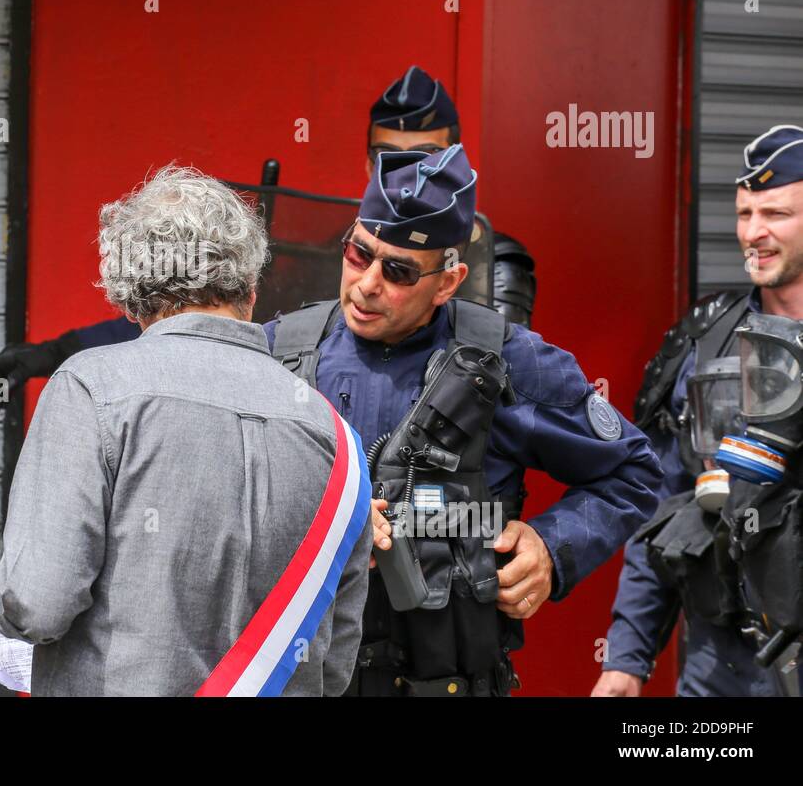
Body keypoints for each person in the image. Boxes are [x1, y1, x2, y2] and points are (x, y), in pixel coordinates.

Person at [0, 165, 390, 696]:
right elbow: (335, 662)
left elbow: (39, 603)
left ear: (127, 296)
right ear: (251, 286)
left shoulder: (91, 389)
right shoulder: (335, 437)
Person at [265, 145, 662, 696]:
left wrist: (551, 546)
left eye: (399, 270)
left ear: (446, 284)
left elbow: (635, 472)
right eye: (359, 253)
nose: (368, 283)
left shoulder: (507, 363)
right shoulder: (280, 352)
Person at [0, 65, 538, 413]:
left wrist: (541, 543)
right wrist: (54, 355)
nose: (370, 280)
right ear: (367, 165)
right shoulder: (327, 251)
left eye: (428, 159)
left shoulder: (492, 262)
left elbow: (509, 397)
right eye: (390, 158)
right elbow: (202, 323)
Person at [592, 132, 803, 697]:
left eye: (775, 213)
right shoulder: (705, 343)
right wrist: (627, 658)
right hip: (722, 668)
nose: (753, 231)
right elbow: (661, 508)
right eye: (744, 212)